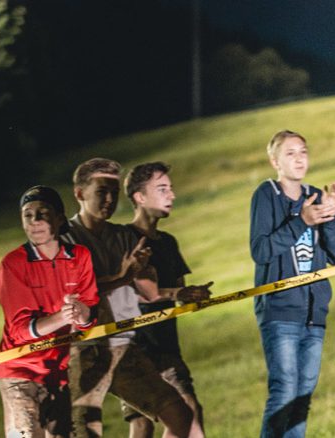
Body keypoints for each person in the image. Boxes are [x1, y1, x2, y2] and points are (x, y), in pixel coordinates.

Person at [61, 158, 199, 438]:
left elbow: (149, 291)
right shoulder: (65, 239)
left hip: (122, 346)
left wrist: (180, 293)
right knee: (87, 431)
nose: (110, 200)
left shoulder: (124, 237)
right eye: (102, 192)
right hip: (81, 351)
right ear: (79, 193)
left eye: (114, 192)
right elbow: (73, 294)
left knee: (180, 414)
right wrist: (122, 277)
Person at [250, 131, 335, 437]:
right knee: (284, 390)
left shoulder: (314, 194)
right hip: (280, 312)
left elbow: (334, 255)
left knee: (303, 396)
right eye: (290, 153)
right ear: (274, 161)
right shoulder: (266, 194)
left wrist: (331, 217)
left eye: (303, 151)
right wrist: (302, 221)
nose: (299, 158)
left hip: (314, 312)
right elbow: (261, 251)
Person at [0, 186, 99, 437]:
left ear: (60, 218)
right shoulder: (13, 263)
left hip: (60, 370)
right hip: (20, 369)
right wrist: (63, 317)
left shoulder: (80, 256)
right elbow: (21, 331)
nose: (35, 220)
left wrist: (82, 314)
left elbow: (88, 318)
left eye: (43, 212)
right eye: (28, 215)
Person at [122, 161, 212, 438]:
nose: (171, 195)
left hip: (166, 345)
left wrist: (194, 295)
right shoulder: (123, 239)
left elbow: (179, 293)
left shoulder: (168, 242)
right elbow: (136, 289)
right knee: (144, 424)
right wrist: (177, 293)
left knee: (189, 413)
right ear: (140, 197)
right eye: (162, 189)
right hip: (135, 347)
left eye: (170, 189)